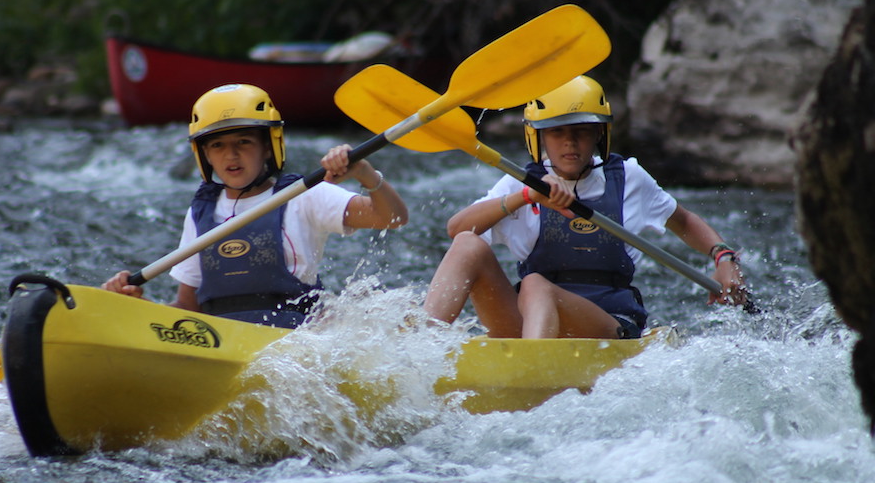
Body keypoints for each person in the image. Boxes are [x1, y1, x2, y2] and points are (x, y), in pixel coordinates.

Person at [422, 75, 749, 339]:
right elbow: (457, 230)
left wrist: (723, 256)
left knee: (536, 284)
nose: (569, 142)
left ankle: (533, 374)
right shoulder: (522, 184)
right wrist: (527, 197)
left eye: (581, 131)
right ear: (538, 138)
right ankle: (420, 351)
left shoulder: (629, 178)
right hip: (527, 323)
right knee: (469, 244)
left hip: (607, 325)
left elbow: (684, 221)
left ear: (599, 136)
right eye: (557, 132)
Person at [103, 83, 408, 328]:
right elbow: (186, 309)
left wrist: (364, 173)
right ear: (205, 155)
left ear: (267, 146)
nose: (230, 156)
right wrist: (135, 308)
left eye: (243, 142)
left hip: (292, 336)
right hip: (217, 338)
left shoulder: (304, 194)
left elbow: (392, 217)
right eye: (218, 146)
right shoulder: (200, 212)